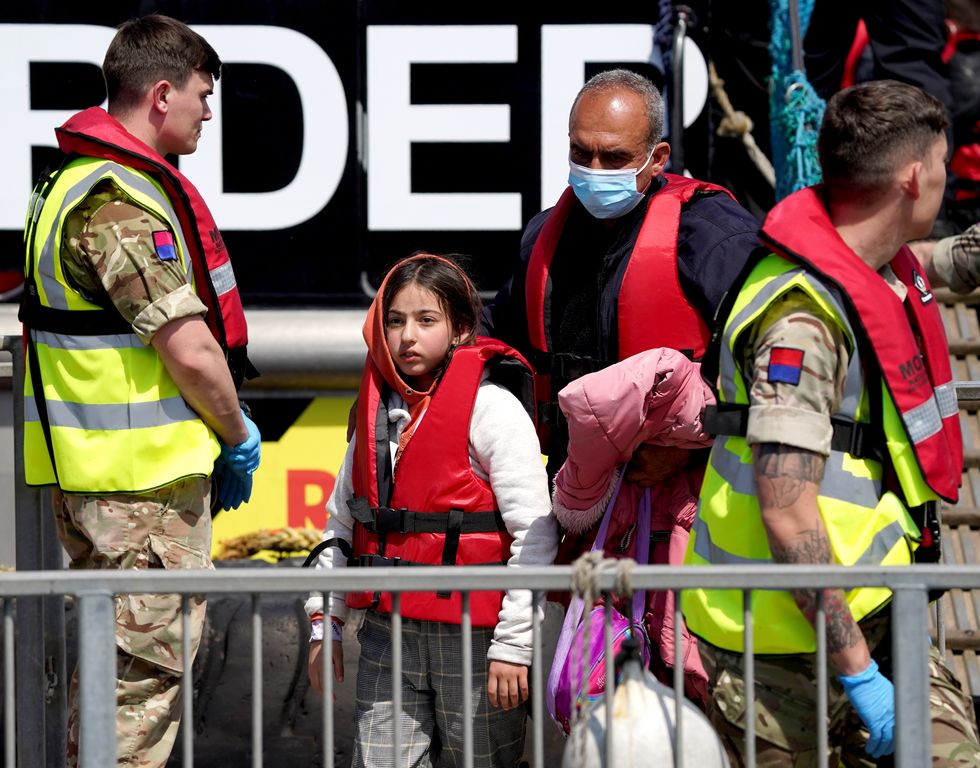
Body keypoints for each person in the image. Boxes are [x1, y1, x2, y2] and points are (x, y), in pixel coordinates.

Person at [682, 80, 980, 764]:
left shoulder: (862, 259)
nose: (943, 179)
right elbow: (788, 513)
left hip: (873, 616)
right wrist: (858, 672)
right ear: (914, 177)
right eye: (940, 165)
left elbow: (942, 261)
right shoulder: (804, 322)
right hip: (779, 655)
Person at [19, 15, 260, 767]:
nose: (208, 113)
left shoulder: (66, 183)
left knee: (110, 683)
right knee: (140, 696)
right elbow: (189, 350)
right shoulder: (122, 204)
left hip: (92, 485)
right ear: (161, 94)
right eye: (201, 94)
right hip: (140, 497)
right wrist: (235, 431)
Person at [304, 253, 559, 768]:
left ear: (461, 328)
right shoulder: (374, 416)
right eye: (394, 321)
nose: (407, 337)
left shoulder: (493, 411)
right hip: (386, 636)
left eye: (426, 320)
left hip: (477, 639)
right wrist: (324, 622)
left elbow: (535, 535)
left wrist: (513, 647)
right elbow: (341, 523)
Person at [483, 67, 760, 479]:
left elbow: (774, 366)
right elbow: (496, 333)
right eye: (581, 153)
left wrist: (693, 449)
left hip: (685, 493)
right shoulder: (546, 235)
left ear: (657, 158)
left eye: (614, 157)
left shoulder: (715, 238)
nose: (595, 169)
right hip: (573, 486)